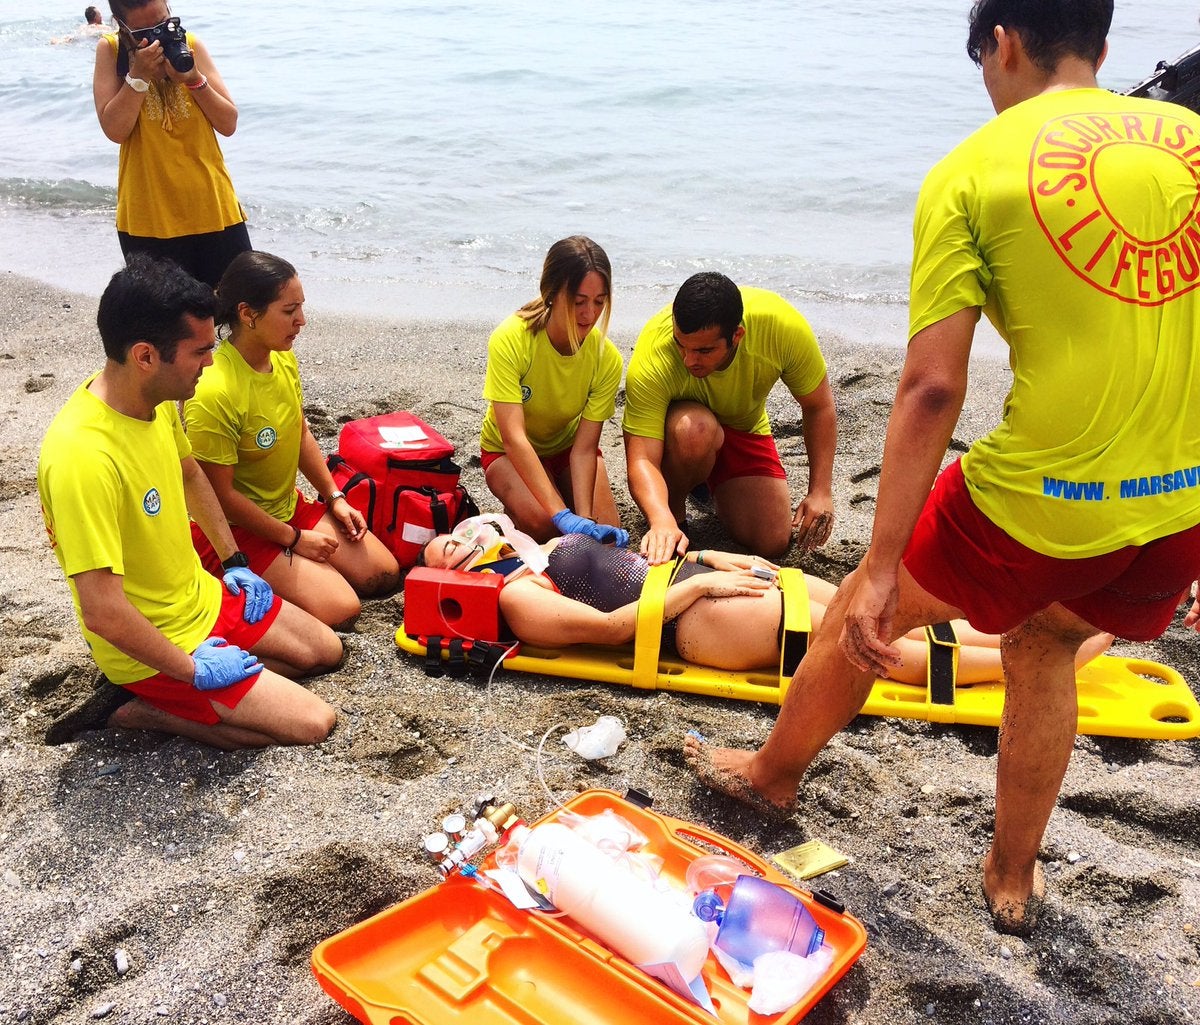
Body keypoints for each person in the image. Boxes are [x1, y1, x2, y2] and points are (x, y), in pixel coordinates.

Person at [683, 0, 1200, 937]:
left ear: (1002, 44)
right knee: (1046, 645)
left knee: (860, 609)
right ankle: (1011, 875)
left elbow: (929, 386)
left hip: (1045, 498)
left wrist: (882, 563)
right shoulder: (1191, 139)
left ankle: (770, 775)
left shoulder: (973, 169)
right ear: (1102, 43)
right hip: (1177, 508)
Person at [37, 255, 341, 750]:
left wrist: (234, 562)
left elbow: (191, 474)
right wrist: (190, 669)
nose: (211, 362)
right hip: (151, 640)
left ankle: (201, 691)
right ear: (145, 356)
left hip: (200, 595)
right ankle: (136, 709)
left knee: (324, 651)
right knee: (312, 722)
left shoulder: (150, 399)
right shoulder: (83, 458)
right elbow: (102, 612)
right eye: (200, 351)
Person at [418, 524, 1111, 681]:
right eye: (445, 551)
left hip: (703, 582)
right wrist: (699, 586)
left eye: (454, 535)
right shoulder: (518, 596)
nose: (456, 540)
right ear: (456, 581)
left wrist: (715, 560)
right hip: (697, 621)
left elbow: (637, 558)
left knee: (868, 606)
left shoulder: (538, 553)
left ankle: (1023, 633)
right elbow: (610, 628)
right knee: (860, 643)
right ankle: (1025, 663)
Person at [184, 251, 401, 628]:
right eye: (289, 310)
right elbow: (221, 497)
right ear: (248, 314)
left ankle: (292, 569)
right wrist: (295, 539)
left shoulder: (281, 358)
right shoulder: (214, 391)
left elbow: (299, 432)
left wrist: (334, 497)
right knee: (342, 609)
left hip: (287, 507)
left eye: (301, 307)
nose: (301, 320)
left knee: (382, 574)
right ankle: (221, 578)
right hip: (236, 530)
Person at [623, 272, 837, 564]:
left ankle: (705, 480)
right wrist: (661, 519)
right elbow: (642, 459)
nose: (688, 360)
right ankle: (676, 510)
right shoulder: (653, 353)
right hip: (682, 433)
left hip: (741, 425)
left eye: (704, 350)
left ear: (737, 336)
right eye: (680, 344)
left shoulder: (781, 327)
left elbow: (819, 406)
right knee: (696, 430)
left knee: (772, 540)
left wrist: (820, 490)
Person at [480, 236, 628, 546]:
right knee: (545, 525)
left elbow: (584, 448)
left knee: (603, 534)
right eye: (578, 301)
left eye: (599, 301)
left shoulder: (607, 358)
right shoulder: (511, 339)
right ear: (551, 293)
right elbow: (514, 439)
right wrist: (562, 515)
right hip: (507, 452)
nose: (589, 314)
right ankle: (521, 511)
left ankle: (555, 503)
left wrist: (584, 521)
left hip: (567, 448)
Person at [93, 0, 250, 288]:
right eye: (144, 32)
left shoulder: (190, 45)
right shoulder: (111, 51)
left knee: (237, 304)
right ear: (121, 23)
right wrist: (138, 76)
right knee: (164, 314)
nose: (158, 36)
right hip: (148, 216)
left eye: (163, 23)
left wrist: (194, 80)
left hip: (214, 207)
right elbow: (115, 130)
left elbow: (228, 123)